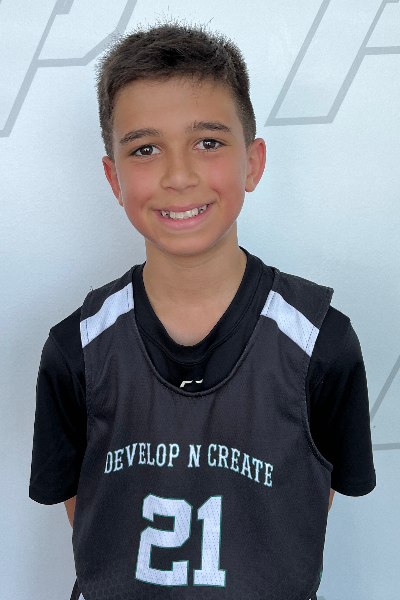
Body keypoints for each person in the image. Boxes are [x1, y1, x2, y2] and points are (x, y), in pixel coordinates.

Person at [29, 22, 376, 600]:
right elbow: (86, 509)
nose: (179, 176)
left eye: (208, 142)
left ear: (253, 162)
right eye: (145, 149)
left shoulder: (321, 342)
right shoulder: (76, 349)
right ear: (114, 178)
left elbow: (307, 499)